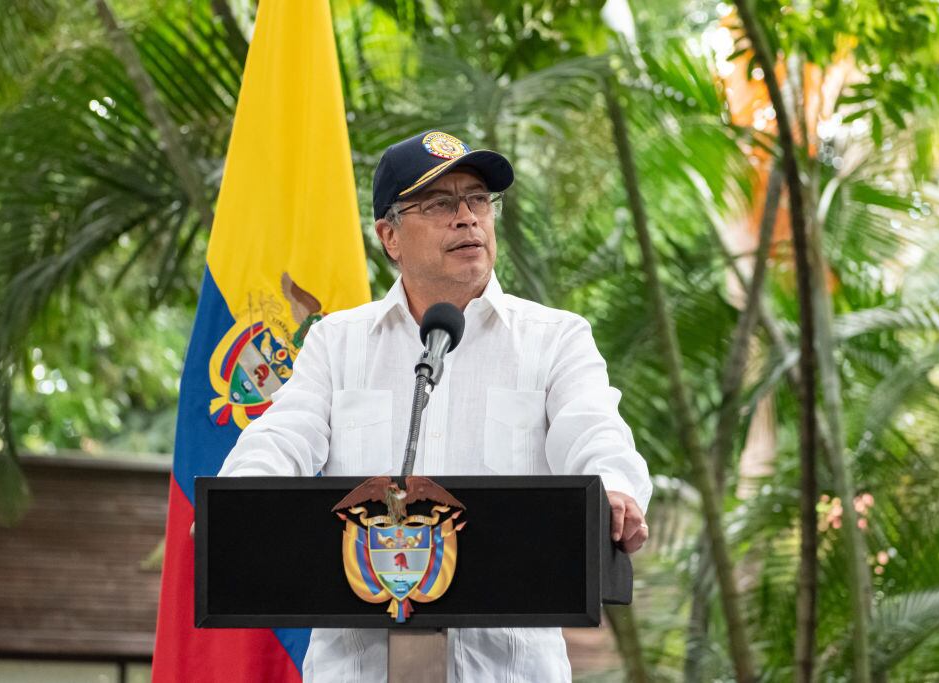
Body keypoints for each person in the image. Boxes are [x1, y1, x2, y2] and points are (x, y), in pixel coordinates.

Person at [219, 130, 652, 682]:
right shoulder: (336, 342)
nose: (467, 217)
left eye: (477, 199)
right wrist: (238, 500)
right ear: (390, 236)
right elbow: (282, 436)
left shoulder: (555, 338)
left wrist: (612, 485)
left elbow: (594, 431)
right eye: (440, 203)